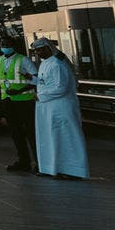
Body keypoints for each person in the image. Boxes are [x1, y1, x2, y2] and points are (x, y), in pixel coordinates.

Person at [31, 39, 89, 179]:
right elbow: (44, 82)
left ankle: (74, 171)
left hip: (61, 107)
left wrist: (40, 95)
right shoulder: (45, 63)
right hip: (48, 107)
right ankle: (51, 168)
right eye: (36, 51)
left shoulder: (57, 63)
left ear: (49, 48)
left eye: (41, 50)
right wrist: (32, 81)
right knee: (51, 138)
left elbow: (61, 88)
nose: (38, 53)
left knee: (68, 138)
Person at [0, 41, 39, 173]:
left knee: (31, 133)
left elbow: (36, 80)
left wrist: (19, 91)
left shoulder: (24, 60)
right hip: (7, 101)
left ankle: (39, 162)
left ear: (14, 45)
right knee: (16, 133)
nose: (4, 46)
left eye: (7, 43)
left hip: (25, 101)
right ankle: (23, 161)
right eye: (2, 44)